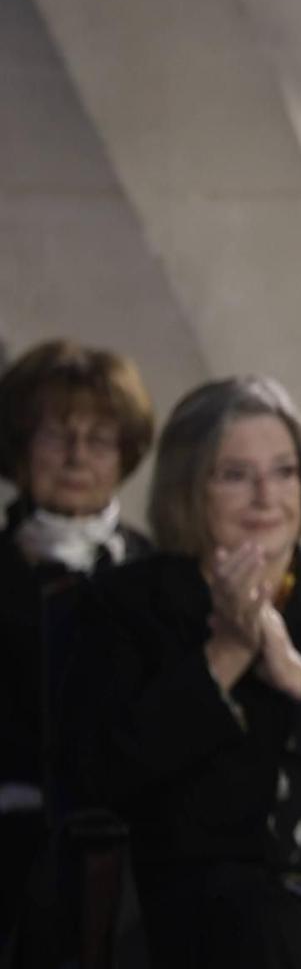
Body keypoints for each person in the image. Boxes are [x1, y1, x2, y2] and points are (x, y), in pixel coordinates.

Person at [65, 376, 301, 969]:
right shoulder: (124, 604)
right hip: (194, 896)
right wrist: (223, 651)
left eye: (283, 471)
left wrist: (288, 671)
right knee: (266, 926)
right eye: (234, 473)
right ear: (190, 484)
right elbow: (101, 773)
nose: (265, 495)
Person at [0, 339, 154, 934]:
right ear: (20, 448)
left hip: (139, 850)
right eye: (56, 435)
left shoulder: (157, 570)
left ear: (125, 453)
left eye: (99, 439)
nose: (76, 456)